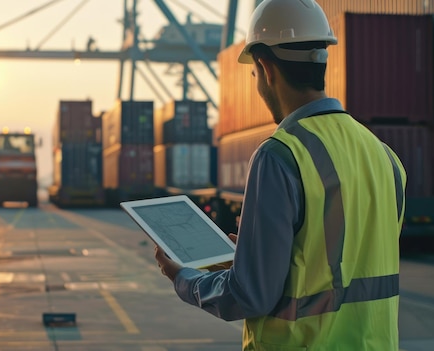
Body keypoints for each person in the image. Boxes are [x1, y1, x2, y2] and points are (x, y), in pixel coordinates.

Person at [154, 0, 407, 350]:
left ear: (265, 68)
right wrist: (251, 258)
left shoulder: (280, 156)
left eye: (254, 75)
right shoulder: (385, 157)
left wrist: (184, 278)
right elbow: (341, 266)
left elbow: (250, 297)